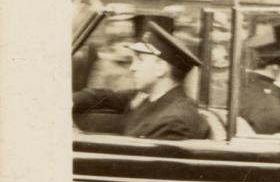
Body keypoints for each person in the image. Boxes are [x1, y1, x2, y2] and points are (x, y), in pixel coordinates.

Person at [73, 21, 208, 140]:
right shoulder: (148, 98)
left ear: (160, 68)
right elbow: (107, 96)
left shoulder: (173, 124)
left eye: (140, 60)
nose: (132, 67)